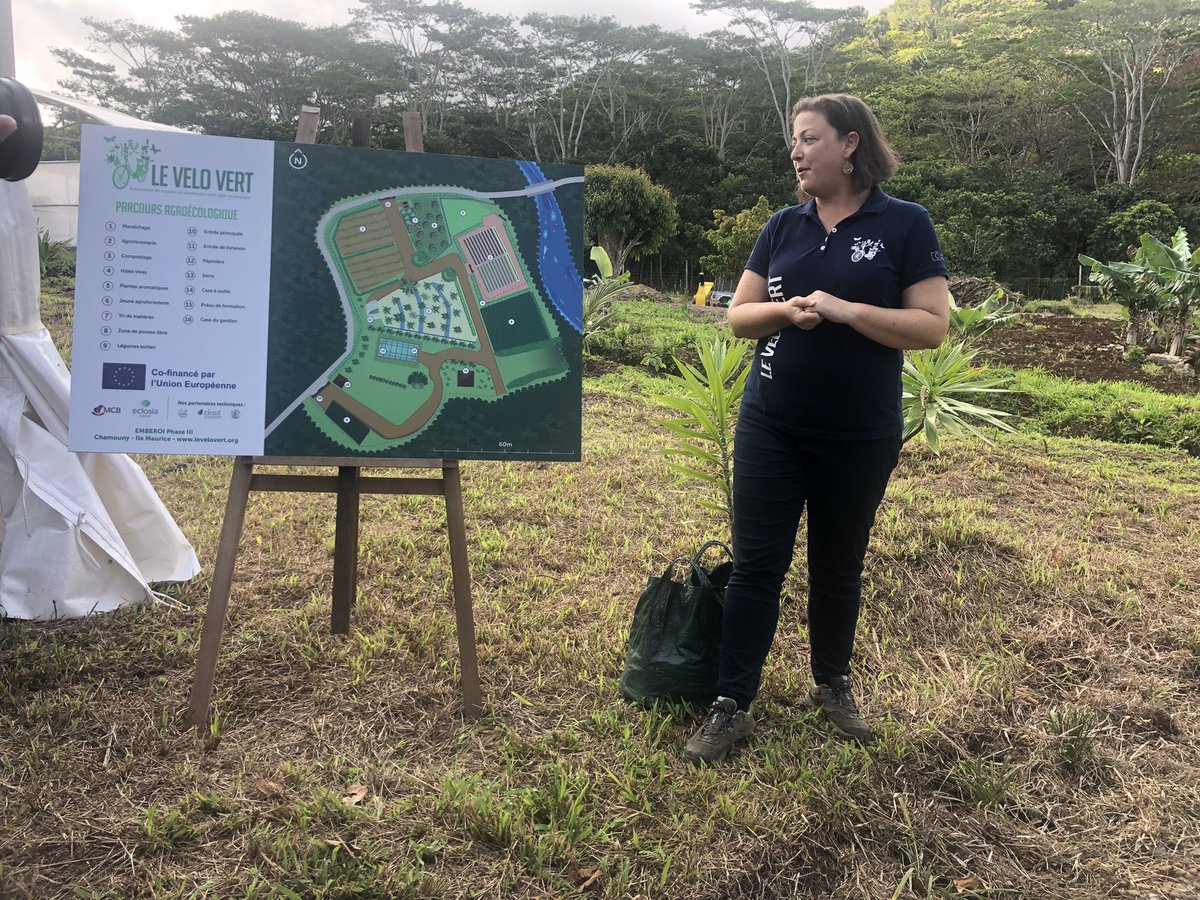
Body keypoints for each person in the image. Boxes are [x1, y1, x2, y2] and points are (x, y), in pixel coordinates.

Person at [683, 93, 949, 764]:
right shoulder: (782, 226)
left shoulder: (905, 224)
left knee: (838, 568)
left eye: (808, 139)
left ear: (850, 143)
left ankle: (833, 685)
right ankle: (731, 704)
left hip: (860, 433)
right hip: (772, 423)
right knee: (755, 568)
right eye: (793, 142)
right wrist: (787, 310)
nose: (795, 152)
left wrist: (846, 308)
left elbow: (931, 326)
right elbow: (738, 316)